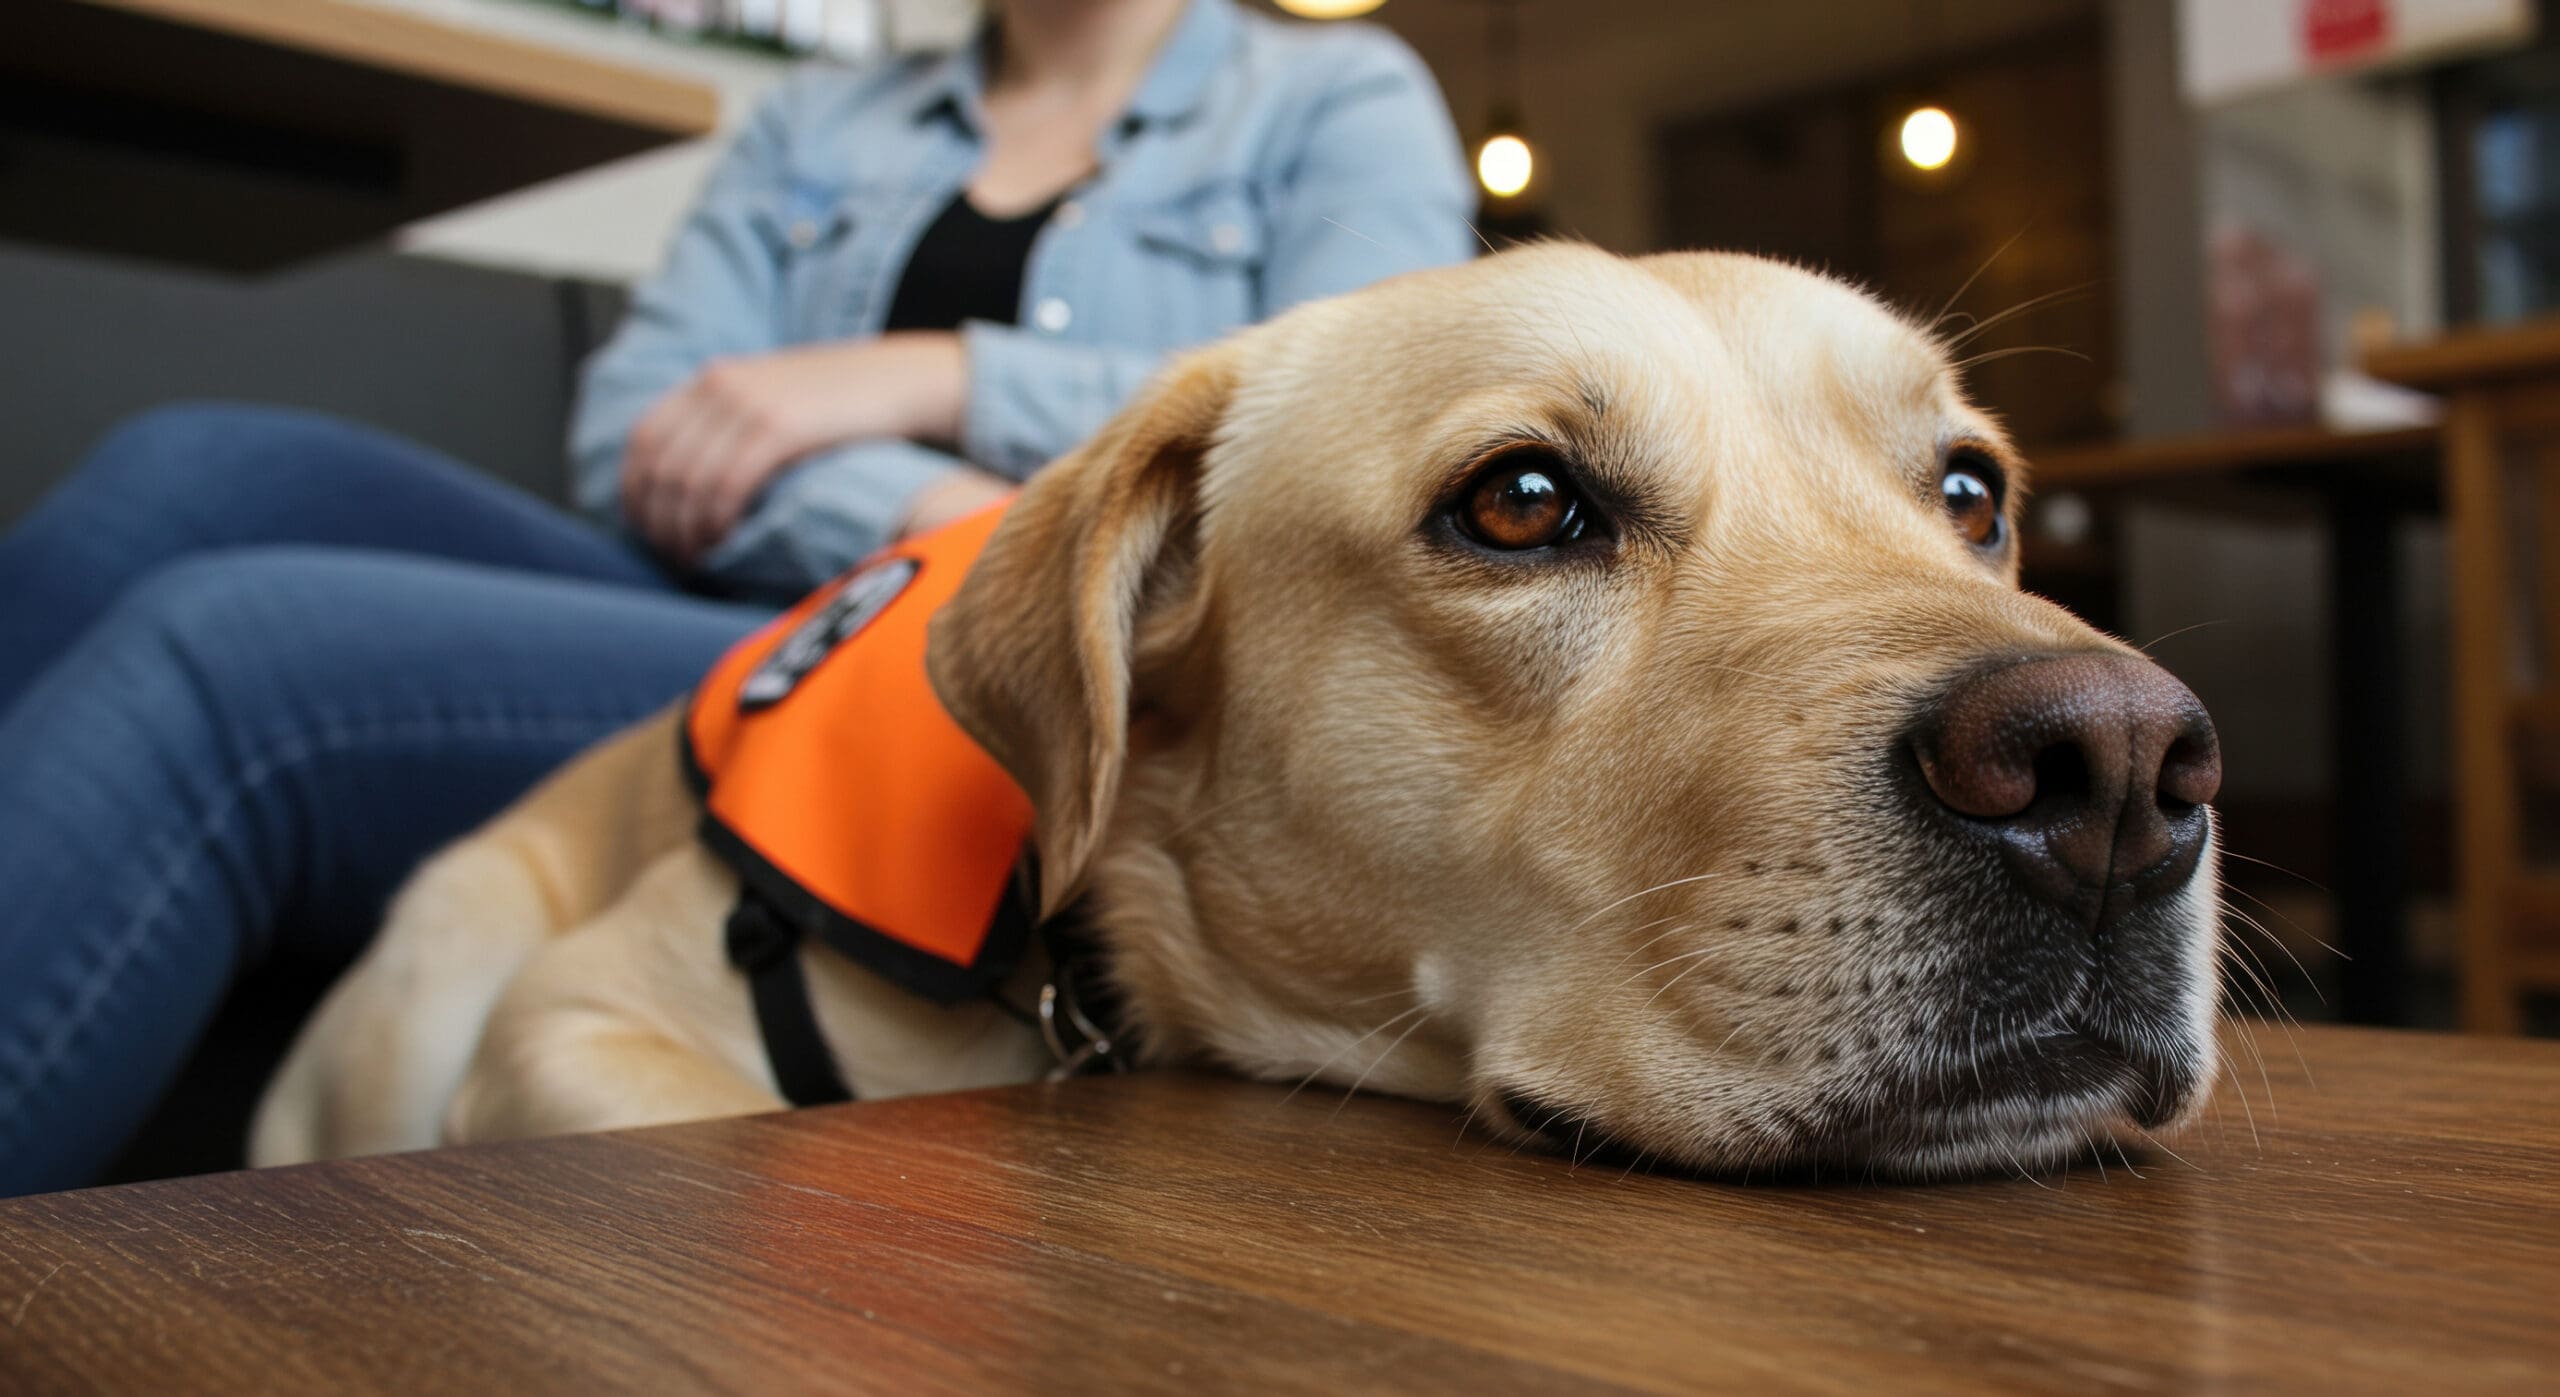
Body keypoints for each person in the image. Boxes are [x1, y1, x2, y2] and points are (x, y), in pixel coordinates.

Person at [0, 0, 1474, 1197]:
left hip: (957, 652)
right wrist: (905, 504)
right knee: (189, 472)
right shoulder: (822, 117)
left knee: (228, 651)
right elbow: (640, 424)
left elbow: (1380, 405)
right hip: (741, 580)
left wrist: (927, 373)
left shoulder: (1332, 95)